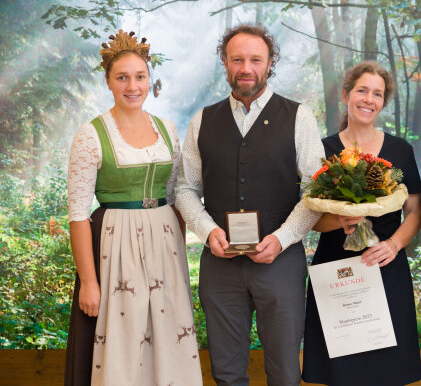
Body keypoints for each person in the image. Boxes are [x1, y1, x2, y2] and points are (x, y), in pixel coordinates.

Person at [175, 24, 324, 386]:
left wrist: (283, 237)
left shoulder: (298, 117)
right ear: (224, 63)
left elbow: (315, 191)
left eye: (255, 59)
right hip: (220, 265)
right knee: (225, 373)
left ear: (270, 62)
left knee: (285, 372)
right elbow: (184, 188)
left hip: (282, 263)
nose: (246, 68)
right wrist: (208, 231)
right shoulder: (201, 121)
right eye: (237, 59)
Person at [64, 30, 202, 386]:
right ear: (108, 81)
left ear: (149, 80)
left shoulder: (167, 129)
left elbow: (174, 199)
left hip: (164, 247)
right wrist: (89, 282)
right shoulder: (91, 134)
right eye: (122, 77)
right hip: (115, 245)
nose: (132, 86)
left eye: (140, 77)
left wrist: (179, 261)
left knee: (168, 334)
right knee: (123, 339)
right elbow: (78, 215)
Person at [302, 61, 421, 386]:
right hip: (336, 271)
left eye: (378, 94)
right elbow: (311, 218)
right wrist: (339, 220)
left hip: (386, 267)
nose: (369, 99)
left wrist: (394, 245)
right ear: (346, 95)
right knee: (341, 371)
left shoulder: (401, 150)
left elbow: (415, 211)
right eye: (362, 90)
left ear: (383, 102)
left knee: (387, 370)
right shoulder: (323, 150)